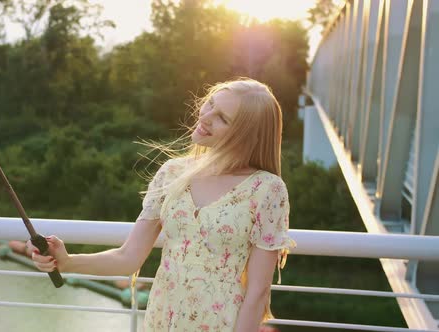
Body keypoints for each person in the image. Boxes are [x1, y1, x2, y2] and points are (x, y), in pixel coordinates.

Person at [26, 78, 297, 331]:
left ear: (244, 135)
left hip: (221, 323)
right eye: (211, 103)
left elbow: (258, 291)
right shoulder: (172, 173)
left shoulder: (267, 189)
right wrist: (66, 261)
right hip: (161, 318)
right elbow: (127, 258)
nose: (205, 117)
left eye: (222, 118)